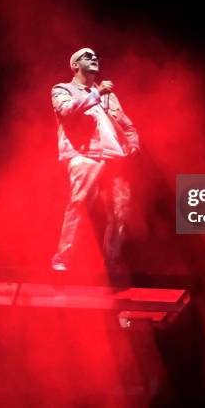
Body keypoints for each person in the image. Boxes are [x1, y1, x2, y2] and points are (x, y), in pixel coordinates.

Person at [50, 47, 140, 274]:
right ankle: (63, 258)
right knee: (80, 203)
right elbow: (67, 111)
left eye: (95, 57)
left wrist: (133, 141)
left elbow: (125, 123)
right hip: (84, 155)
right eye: (87, 57)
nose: (93, 59)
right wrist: (96, 93)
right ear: (75, 65)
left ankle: (112, 260)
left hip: (115, 158)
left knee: (120, 212)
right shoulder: (63, 89)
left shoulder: (109, 95)